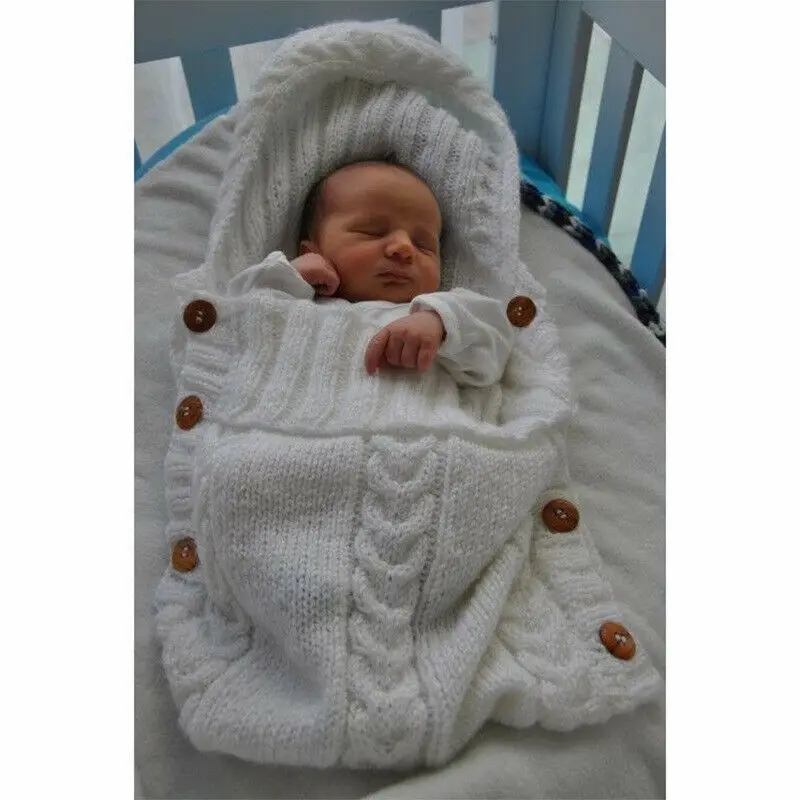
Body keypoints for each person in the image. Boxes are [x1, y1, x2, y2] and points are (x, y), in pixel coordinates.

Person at [229, 159, 516, 387]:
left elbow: (495, 352)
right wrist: (287, 275)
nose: (404, 248)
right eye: (373, 231)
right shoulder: (296, 301)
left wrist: (440, 324)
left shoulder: (444, 311)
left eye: (423, 245)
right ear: (312, 252)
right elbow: (234, 323)